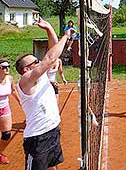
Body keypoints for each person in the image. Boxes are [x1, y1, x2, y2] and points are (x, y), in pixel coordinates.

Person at [15, 17, 72, 170]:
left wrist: (49, 28)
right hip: (37, 138)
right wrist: (66, 36)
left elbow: (53, 53)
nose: (39, 61)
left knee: (52, 167)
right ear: (26, 69)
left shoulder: (41, 76)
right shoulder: (26, 80)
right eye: (35, 61)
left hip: (53, 130)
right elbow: (50, 57)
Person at [0, 59, 21, 165]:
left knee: (7, 134)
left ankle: (0, 153)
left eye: (8, 66)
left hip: (4, 108)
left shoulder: (9, 79)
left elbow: (13, 90)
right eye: (3, 67)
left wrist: (20, 102)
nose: (7, 68)